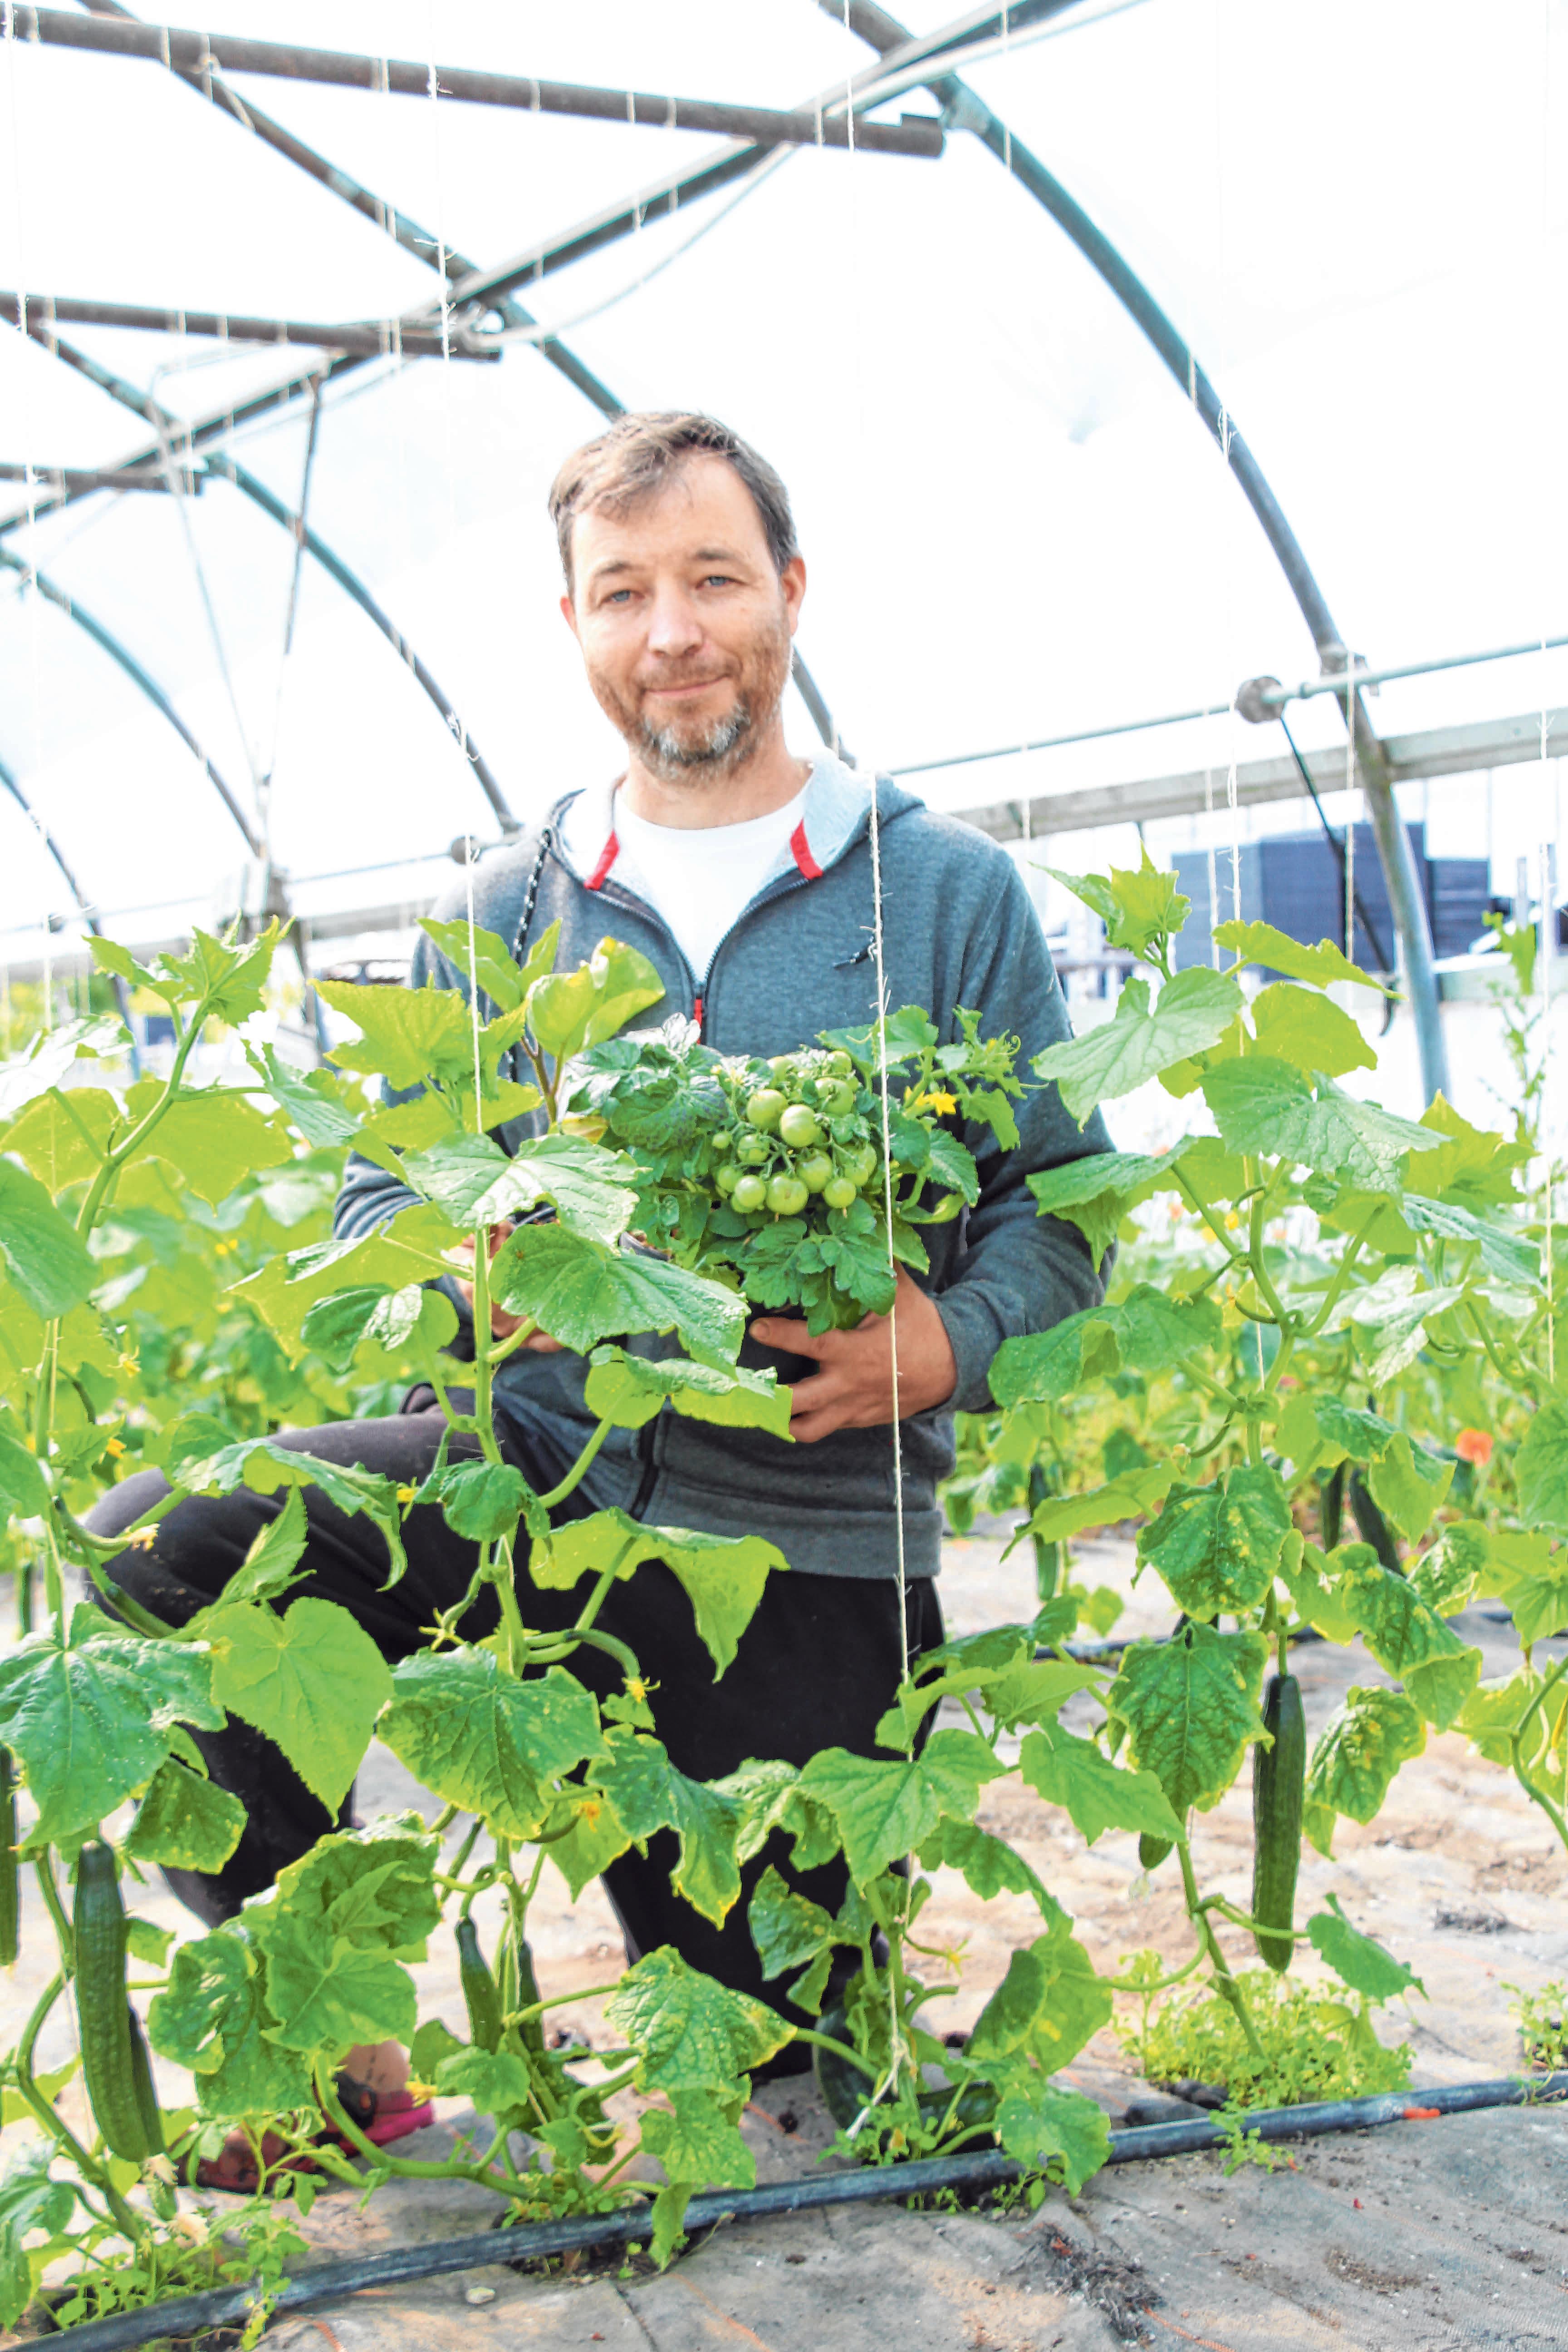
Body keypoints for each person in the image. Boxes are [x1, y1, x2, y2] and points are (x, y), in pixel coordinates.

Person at [94, 411, 1113, 2165]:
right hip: (533, 1483)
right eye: (624, 590)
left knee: (789, 2058)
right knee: (157, 1547)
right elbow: (374, 1195)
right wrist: (462, 1269)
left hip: (804, 1526)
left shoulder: (943, 896)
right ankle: (325, 2044)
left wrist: (950, 1340)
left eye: (715, 578)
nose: (674, 631)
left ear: (789, 594)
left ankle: (760, 1964)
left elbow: (1064, 1214)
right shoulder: (508, 908)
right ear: (573, 627)